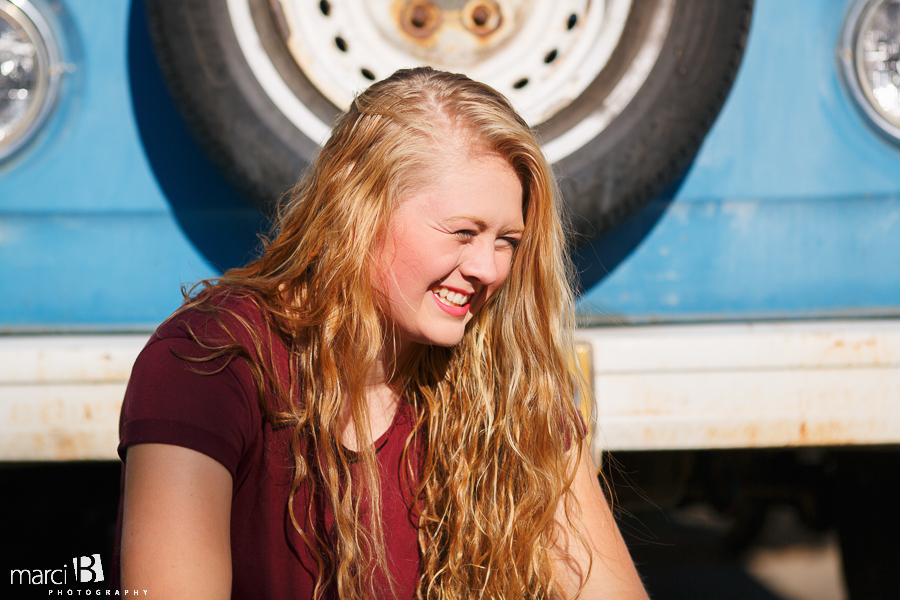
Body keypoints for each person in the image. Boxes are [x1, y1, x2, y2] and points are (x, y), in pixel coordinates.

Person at [115, 67, 648, 600]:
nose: (488, 268)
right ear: (359, 209)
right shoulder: (209, 359)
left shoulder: (506, 379)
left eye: (507, 239)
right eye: (464, 232)